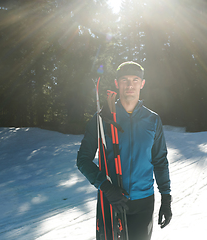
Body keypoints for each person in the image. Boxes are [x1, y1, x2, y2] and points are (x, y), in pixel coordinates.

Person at [77, 61, 172, 240]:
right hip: (111, 200)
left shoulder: (152, 120)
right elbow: (82, 159)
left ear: (142, 84)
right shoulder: (102, 118)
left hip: (144, 202)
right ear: (116, 83)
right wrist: (105, 187)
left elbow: (160, 161)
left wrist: (166, 198)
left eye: (135, 80)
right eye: (125, 80)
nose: (130, 85)